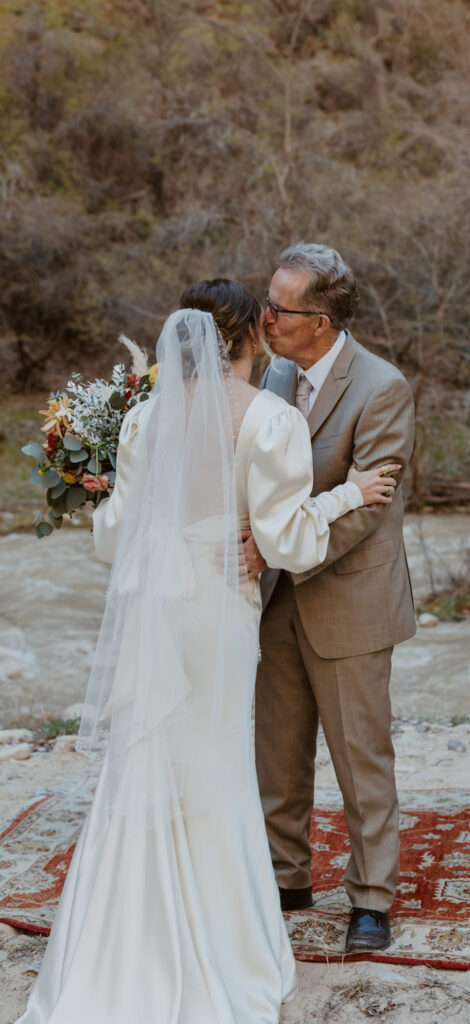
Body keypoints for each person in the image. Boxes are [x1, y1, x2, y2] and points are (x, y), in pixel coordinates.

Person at [16, 283, 398, 1024]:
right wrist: (348, 494)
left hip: (156, 606)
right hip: (218, 607)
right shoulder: (270, 419)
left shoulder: (144, 419)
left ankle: (117, 947)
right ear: (253, 334)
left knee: (147, 759)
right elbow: (284, 539)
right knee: (216, 764)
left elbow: (114, 536)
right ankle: (224, 947)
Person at [254, 243, 416, 953]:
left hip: (347, 597)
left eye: (278, 310)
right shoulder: (268, 378)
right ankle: (285, 878)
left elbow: (365, 508)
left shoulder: (382, 388)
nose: (264, 320)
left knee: (361, 758)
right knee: (276, 754)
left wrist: (277, 545)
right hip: (270, 598)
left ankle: (371, 899)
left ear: (317, 320)